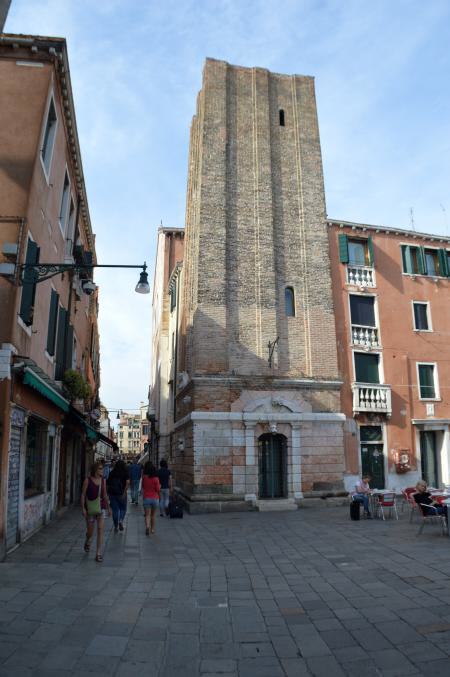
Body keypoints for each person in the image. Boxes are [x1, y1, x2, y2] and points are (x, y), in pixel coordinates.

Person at [81, 461, 111, 563]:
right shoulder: (87, 480)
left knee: (100, 529)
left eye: (102, 468)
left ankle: (98, 553)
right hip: (90, 509)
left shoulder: (103, 481)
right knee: (90, 532)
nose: (102, 470)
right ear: (95, 470)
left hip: (101, 508)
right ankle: (88, 540)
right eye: (100, 468)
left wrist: (108, 508)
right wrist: (83, 509)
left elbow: (105, 495)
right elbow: (83, 495)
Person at [107, 459, 130, 533]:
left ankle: (116, 526)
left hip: (112, 494)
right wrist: (124, 492)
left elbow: (108, 484)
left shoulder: (112, 473)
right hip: (121, 494)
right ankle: (121, 520)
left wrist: (107, 494)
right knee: (123, 509)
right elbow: (127, 483)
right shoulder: (125, 473)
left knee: (115, 510)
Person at [142, 462, 161, 536]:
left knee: (147, 515)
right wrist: (160, 497)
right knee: (153, 515)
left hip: (146, 498)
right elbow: (158, 489)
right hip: (155, 499)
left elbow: (143, 486)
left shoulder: (144, 477)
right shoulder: (156, 479)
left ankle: (147, 527)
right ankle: (152, 529)